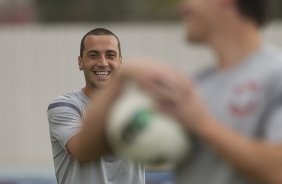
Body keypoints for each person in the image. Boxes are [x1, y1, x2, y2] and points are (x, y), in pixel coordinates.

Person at [120, 0, 282, 183]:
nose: (182, 8)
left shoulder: (277, 73)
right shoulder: (196, 85)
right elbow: (84, 150)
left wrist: (202, 124)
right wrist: (123, 76)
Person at [47, 28, 144, 184]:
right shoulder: (64, 105)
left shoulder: (139, 105)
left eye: (110, 55)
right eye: (93, 55)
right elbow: (82, 150)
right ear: (80, 62)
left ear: (120, 61)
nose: (103, 63)